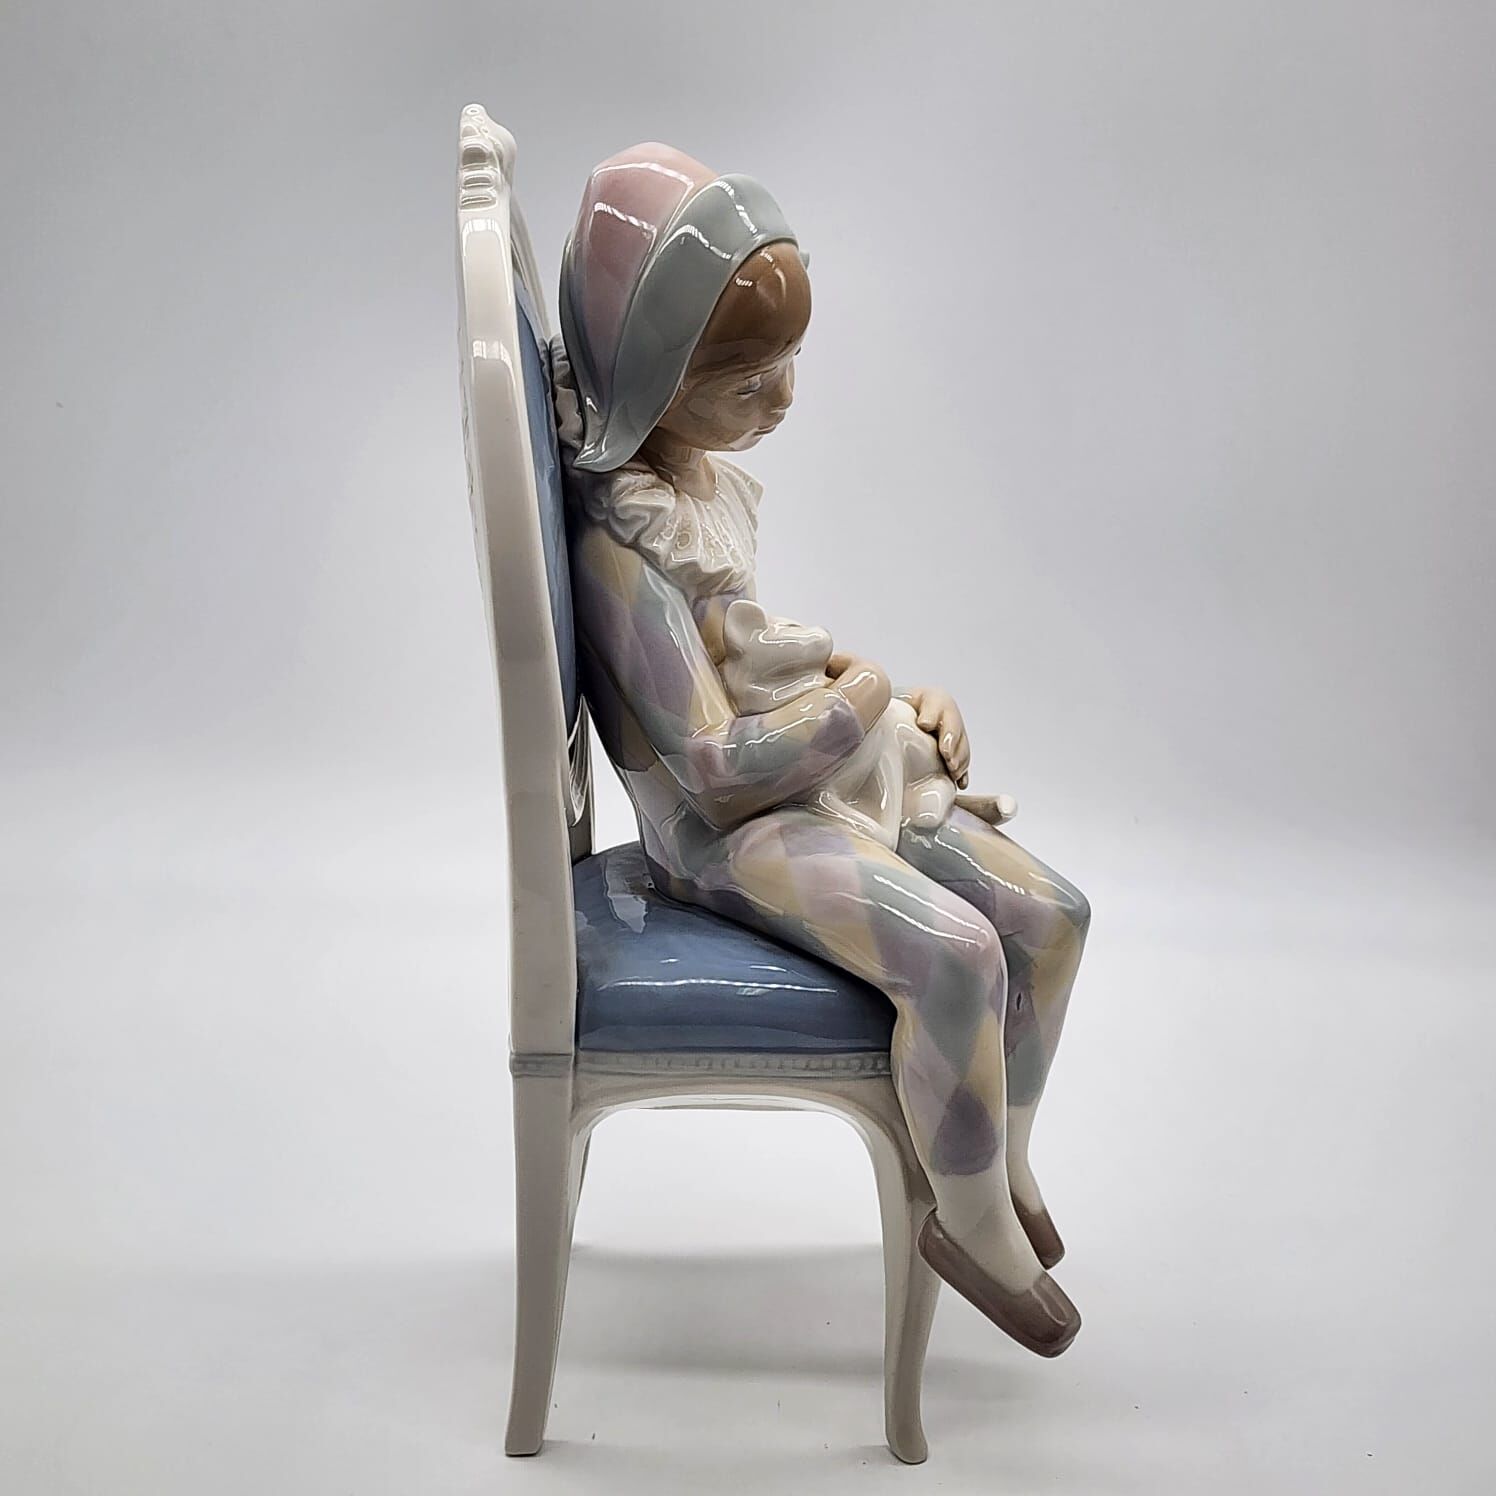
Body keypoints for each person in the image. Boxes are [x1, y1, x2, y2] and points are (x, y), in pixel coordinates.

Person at [555, 142, 1091, 1357]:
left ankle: (1000, 1153)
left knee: (1049, 917)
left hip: (806, 778)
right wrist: (862, 701)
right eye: (746, 378)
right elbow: (710, 769)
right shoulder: (617, 554)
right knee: (956, 953)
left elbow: (750, 649)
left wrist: (886, 705)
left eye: (786, 362)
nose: (782, 398)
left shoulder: (692, 485)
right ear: (648, 377)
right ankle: (964, 1218)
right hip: (721, 836)